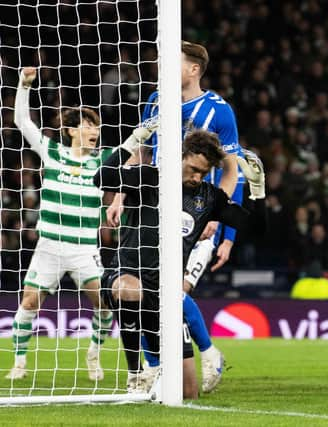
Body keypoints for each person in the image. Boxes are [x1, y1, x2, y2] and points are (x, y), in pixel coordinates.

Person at [106, 40, 243, 393]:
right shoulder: (156, 100)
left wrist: (223, 225)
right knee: (147, 292)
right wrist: (121, 195)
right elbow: (141, 151)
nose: (163, 66)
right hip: (150, 207)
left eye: (173, 61)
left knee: (172, 290)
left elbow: (233, 170)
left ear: (194, 69)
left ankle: (206, 353)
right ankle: (158, 366)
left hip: (195, 216)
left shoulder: (219, 111)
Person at [93, 128, 250, 393]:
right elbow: (102, 177)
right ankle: (139, 373)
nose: (197, 176)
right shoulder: (149, 177)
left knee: (187, 393)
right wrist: (132, 141)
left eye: (203, 172)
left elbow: (251, 223)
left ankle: (208, 354)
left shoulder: (206, 196)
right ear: (182, 155)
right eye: (193, 169)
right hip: (129, 273)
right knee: (129, 291)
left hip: (165, 294)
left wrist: (252, 186)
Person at [6, 67, 113, 382]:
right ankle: (20, 362)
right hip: (49, 247)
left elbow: (132, 150)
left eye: (96, 125)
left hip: (84, 249)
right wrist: (24, 85)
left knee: (105, 304)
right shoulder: (52, 152)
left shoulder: (102, 160)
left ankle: (93, 355)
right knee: (29, 301)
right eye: (87, 124)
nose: (94, 130)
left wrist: (151, 127)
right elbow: (22, 123)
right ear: (71, 130)